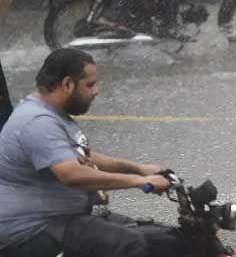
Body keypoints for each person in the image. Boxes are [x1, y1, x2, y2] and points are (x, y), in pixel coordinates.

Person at [0, 48, 183, 257]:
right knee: (129, 245)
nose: (96, 91)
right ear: (67, 84)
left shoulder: (51, 112)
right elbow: (71, 174)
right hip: (36, 228)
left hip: (66, 216)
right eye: (90, 84)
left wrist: (138, 168)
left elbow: (76, 155)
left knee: (165, 240)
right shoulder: (37, 122)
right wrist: (138, 181)